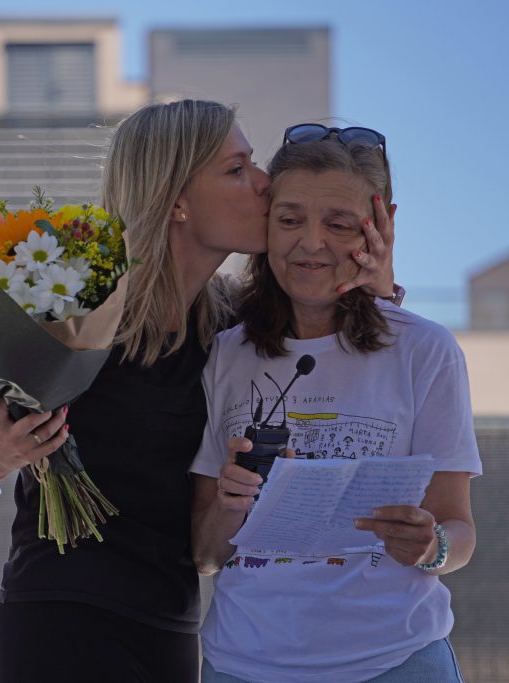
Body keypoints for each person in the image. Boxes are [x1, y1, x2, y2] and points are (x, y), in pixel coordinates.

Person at [0, 101, 398, 681]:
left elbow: (354, 372)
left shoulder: (237, 320)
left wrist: (374, 287)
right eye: (236, 170)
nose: (264, 184)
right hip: (58, 620)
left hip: (173, 632)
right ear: (176, 199)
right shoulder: (70, 294)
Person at [190, 126, 479, 682]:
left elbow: (458, 531)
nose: (312, 242)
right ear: (266, 225)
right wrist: (230, 502)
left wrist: (432, 545)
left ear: (380, 225)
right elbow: (205, 555)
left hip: (398, 662)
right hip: (243, 666)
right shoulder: (225, 352)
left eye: (339, 223)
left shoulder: (425, 349)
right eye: (290, 219)